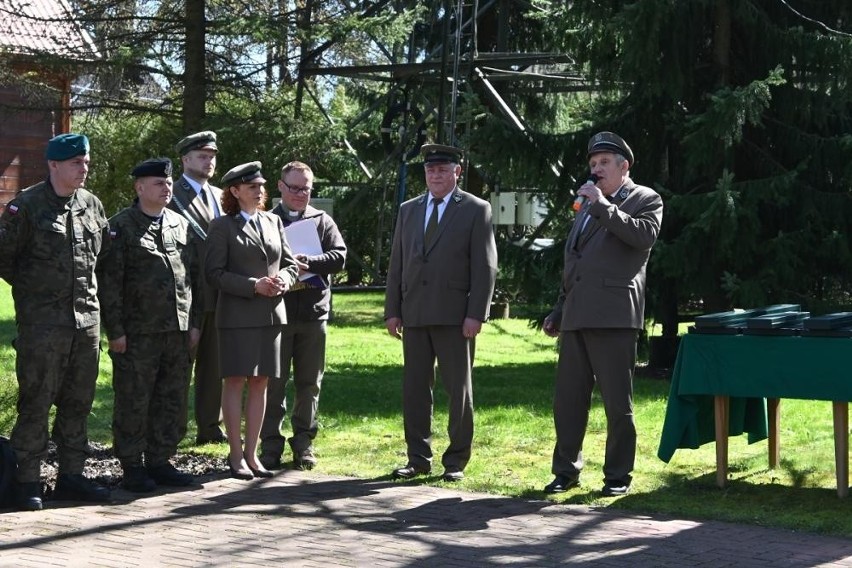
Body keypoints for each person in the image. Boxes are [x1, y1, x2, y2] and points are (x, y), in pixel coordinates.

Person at [541, 131, 663, 497]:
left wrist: (603, 206)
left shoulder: (645, 199)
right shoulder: (586, 206)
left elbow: (643, 237)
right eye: (593, 164)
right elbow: (574, 262)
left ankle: (617, 476)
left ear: (624, 167)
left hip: (614, 316)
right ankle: (566, 471)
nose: (596, 171)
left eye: (604, 163)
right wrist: (560, 310)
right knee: (568, 401)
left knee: (616, 404)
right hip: (577, 315)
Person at [0, 133, 111, 510]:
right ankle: (27, 480)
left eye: (86, 162)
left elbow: (102, 259)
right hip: (43, 325)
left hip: (86, 324)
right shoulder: (26, 207)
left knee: (78, 403)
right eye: (77, 162)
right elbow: (5, 259)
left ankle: (71, 477)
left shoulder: (92, 205)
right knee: (36, 402)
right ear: (53, 165)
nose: (85, 168)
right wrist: (37, 293)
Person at [384, 143, 497, 483]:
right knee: (415, 389)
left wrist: (476, 313)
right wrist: (393, 310)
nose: (436, 176)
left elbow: (485, 266)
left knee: (458, 390)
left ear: (457, 172)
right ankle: (417, 458)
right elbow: (397, 263)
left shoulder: (476, 209)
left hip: (455, 317)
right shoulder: (409, 209)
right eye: (431, 170)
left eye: (443, 170)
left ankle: (456, 460)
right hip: (415, 313)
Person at [97, 158, 202, 493]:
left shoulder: (180, 225)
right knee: (133, 400)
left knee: (172, 399)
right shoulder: (120, 227)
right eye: (158, 183)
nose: (166, 188)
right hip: (137, 334)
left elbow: (194, 280)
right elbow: (109, 285)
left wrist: (195, 325)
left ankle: (160, 460)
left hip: (177, 332)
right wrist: (115, 331)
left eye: (168, 183)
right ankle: (132, 466)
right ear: (139, 188)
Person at [205, 161, 299, 480]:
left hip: (271, 316)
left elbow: (290, 263)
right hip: (236, 317)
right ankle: (234, 455)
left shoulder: (273, 221)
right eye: (251, 187)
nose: (259, 191)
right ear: (235, 191)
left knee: (261, 383)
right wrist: (252, 285)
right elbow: (213, 274)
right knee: (235, 381)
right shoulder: (222, 227)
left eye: (261, 186)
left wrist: (284, 279)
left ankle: (252, 454)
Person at [259, 161, 347, 471]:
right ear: (280, 187)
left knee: (309, 383)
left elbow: (339, 256)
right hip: (277, 315)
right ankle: (269, 443)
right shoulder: (266, 221)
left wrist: (311, 261)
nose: (300, 194)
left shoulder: (322, 221)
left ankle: (304, 443)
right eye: (294, 188)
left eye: (306, 189)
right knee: (272, 382)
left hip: (313, 314)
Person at [168, 131, 226, 445]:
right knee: (180, 366)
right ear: (185, 159)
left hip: (218, 294)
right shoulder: (170, 193)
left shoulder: (221, 196)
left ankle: (210, 427)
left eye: (212, 156)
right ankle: (173, 428)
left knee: (214, 366)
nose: (208, 161)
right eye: (202, 156)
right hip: (185, 295)